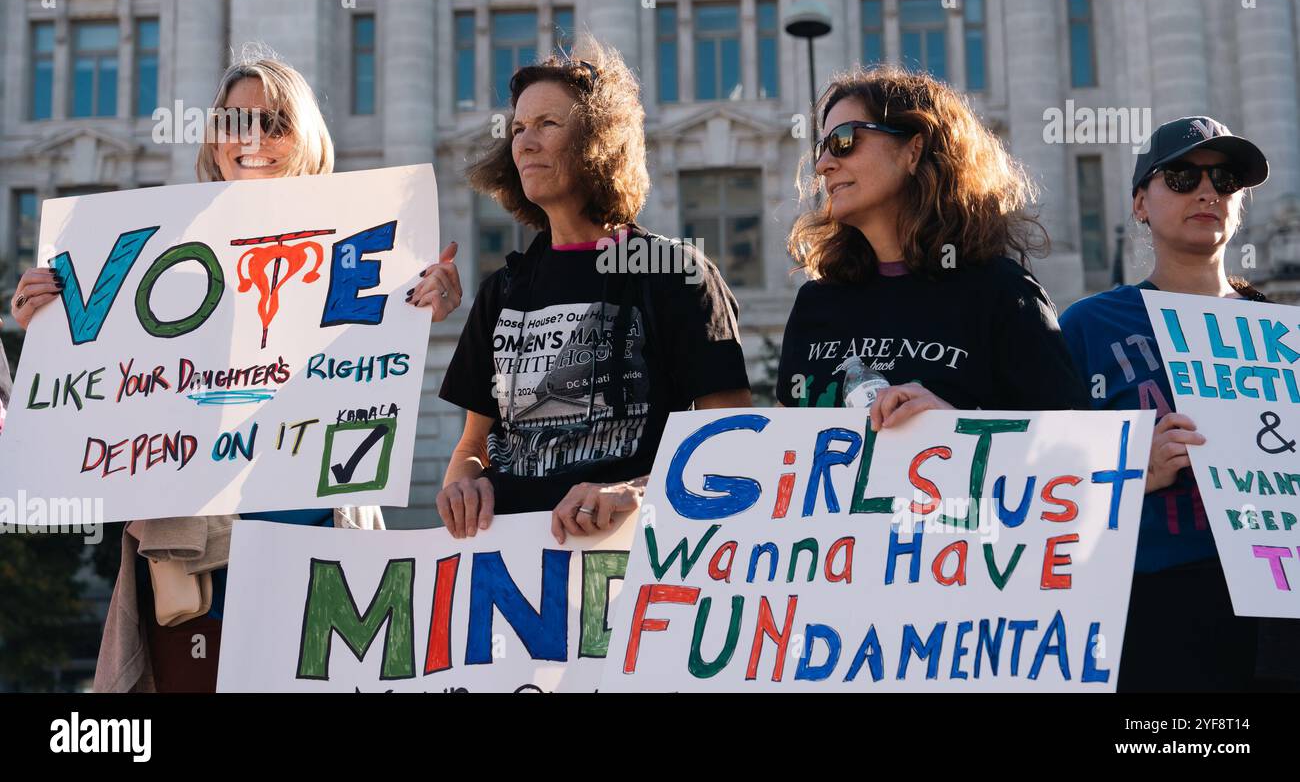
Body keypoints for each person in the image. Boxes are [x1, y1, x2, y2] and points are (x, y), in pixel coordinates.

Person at [9, 52, 462, 691]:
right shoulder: (154, 250)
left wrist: (434, 299)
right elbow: (107, 406)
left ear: (305, 138)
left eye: (274, 123)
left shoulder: (364, 245)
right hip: (198, 578)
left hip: (324, 564)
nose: (251, 140)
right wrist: (52, 329)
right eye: (234, 123)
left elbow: (383, 357)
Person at [436, 38, 752, 545]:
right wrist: (462, 488)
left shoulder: (676, 273)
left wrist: (635, 492)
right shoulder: (502, 289)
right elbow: (473, 446)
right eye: (518, 128)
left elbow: (730, 445)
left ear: (600, 139)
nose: (524, 142)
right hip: (513, 570)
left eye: (547, 124)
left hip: (633, 571)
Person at [1058, 115, 1288, 692]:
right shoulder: (1088, 326)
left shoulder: (1281, 334)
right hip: (1154, 604)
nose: (1208, 191)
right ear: (1140, 203)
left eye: (1226, 180)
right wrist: (1137, 471)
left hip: (1278, 611)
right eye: (1183, 176)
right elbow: (1043, 483)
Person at [778, 65, 1089, 424]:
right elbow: (788, 446)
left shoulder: (1001, 293)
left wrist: (954, 425)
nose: (823, 164)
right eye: (822, 147)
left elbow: (1070, 448)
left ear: (914, 149)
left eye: (844, 140)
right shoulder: (815, 304)